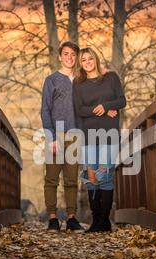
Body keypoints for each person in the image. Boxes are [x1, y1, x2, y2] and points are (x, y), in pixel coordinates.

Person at [72, 47, 126, 232]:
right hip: (88, 135)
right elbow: (79, 110)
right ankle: (97, 221)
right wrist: (101, 110)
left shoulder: (111, 78)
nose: (87, 62)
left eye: (90, 59)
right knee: (92, 177)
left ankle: (104, 222)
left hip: (109, 134)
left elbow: (121, 101)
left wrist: (106, 105)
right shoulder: (78, 84)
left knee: (106, 177)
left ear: (96, 59)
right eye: (84, 60)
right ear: (81, 64)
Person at [40, 41, 84, 233]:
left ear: (77, 57)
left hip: (75, 135)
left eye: (73, 55)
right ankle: (52, 219)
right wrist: (51, 137)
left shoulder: (82, 80)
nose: (69, 58)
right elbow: (45, 109)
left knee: (72, 180)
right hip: (56, 134)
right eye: (66, 54)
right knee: (51, 179)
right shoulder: (51, 80)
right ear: (60, 56)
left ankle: (72, 218)